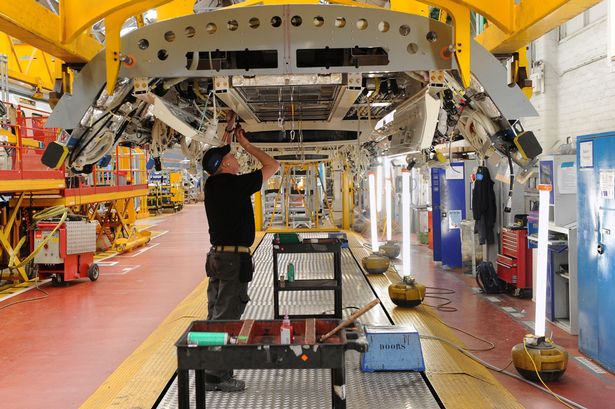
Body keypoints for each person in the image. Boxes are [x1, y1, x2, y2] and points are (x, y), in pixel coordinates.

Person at [202, 126, 279, 392]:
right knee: (227, 316)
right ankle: (217, 376)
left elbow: (222, 159)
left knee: (214, 314)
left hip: (217, 258)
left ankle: (208, 368)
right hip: (232, 261)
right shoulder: (236, 185)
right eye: (231, 156)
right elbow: (273, 165)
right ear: (225, 165)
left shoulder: (212, 185)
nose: (236, 158)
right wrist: (246, 144)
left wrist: (228, 128)